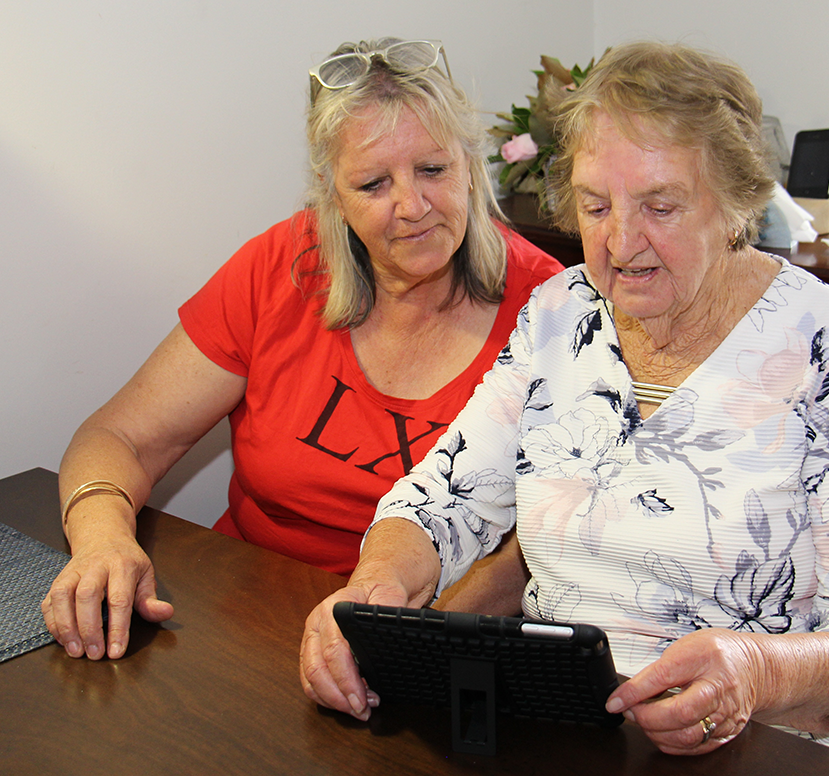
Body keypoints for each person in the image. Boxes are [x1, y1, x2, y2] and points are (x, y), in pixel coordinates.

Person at [299, 41, 829, 768]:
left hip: (766, 746)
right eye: (596, 207)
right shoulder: (559, 314)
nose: (621, 243)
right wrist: (370, 602)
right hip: (568, 733)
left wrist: (755, 671)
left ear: (735, 204)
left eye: (660, 205)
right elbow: (442, 500)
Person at [42, 38, 563, 662]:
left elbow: (550, 544)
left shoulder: (553, 307)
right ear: (330, 192)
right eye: (372, 183)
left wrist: (396, 636)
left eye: (434, 170)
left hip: (435, 640)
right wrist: (102, 542)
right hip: (247, 621)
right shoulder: (281, 268)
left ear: (470, 164)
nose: (413, 207)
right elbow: (119, 437)